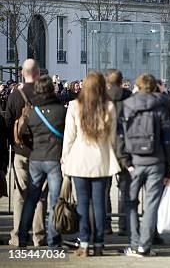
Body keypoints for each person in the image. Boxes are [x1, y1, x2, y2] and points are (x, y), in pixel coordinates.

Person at [62, 71, 121, 257]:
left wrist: (65, 159)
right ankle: (99, 242)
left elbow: (69, 137)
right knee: (99, 204)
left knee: (82, 203)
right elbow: (112, 138)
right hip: (101, 159)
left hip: (79, 158)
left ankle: (85, 241)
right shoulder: (109, 107)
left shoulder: (74, 106)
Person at [118, 74, 170, 258]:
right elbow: (167, 140)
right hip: (156, 161)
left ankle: (134, 243)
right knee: (151, 206)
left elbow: (120, 136)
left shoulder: (127, 105)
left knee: (130, 202)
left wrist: (126, 161)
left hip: (134, 161)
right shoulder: (160, 107)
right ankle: (144, 246)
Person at [17, 75, 66, 249]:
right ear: (52, 89)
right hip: (54, 158)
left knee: (31, 199)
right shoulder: (61, 110)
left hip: (36, 157)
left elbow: (23, 134)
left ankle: (22, 237)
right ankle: (54, 240)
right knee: (54, 200)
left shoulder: (32, 111)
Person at [5, 59, 46, 247]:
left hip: (21, 151)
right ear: (38, 73)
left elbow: (7, 123)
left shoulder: (14, 95)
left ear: (22, 73)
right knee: (39, 196)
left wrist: (11, 144)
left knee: (20, 194)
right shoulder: (45, 94)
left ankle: (19, 236)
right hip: (42, 151)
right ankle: (39, 236)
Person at [105, 69, 132, 236]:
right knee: (125, 189)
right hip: (125, 147)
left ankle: (105, 224)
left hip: (105, 147)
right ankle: (123, 224)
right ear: (121, 82)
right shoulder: (129, 97)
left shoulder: (101, 97)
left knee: (104, 189)